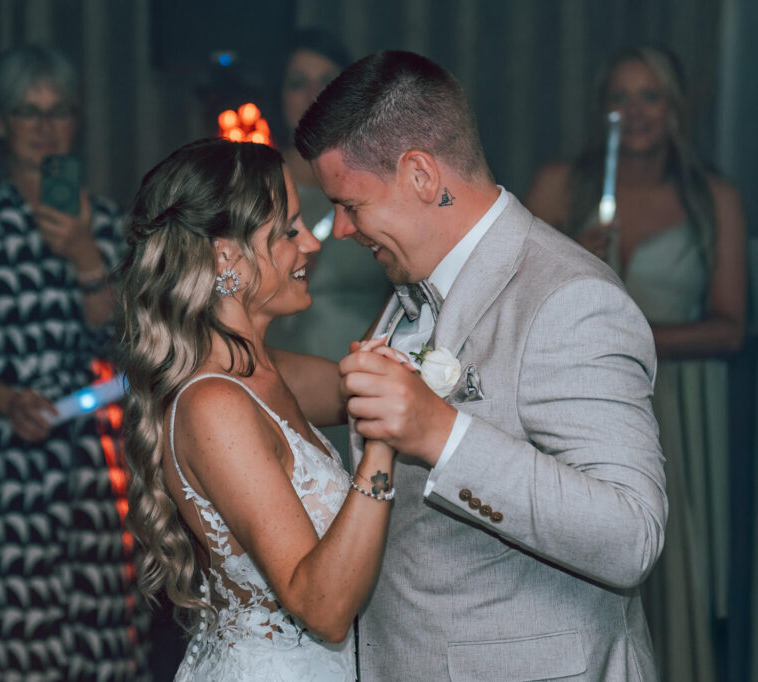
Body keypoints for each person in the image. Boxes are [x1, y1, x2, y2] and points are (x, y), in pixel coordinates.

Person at [293, 50, 668, 680]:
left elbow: (633, 535)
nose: (341, 230)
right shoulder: (411, 283)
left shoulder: (569, 297)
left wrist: (441, 434)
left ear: (419, 174)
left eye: (351, 205)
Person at [117, 138, 399, 680]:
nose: (311, 244)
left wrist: (412, 260)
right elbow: (323, 610)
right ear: (226, 256)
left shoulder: (266, 372)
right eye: (289, 230)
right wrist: (380, 451)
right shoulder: (214, 405)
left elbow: (369, 380)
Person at [0, 45, 144, 681]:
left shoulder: (107, 223)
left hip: (90, 468)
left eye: (59, 111)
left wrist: (85, 257)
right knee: (0, 646)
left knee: (94, 641)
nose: (45, 127)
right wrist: (8, 400)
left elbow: (130, 350)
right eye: (28, 112)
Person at [524, 45, 747, 682]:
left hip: (684, 406)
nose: (636, 111)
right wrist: (571, 258)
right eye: (620, 97)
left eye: (650, 95)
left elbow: (731, 328)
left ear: (675, 107)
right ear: (603, 110)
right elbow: (516, 302)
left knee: (678, 566)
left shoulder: (713, 197)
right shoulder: (561, 184)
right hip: (583, 396)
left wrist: (624, 334)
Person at [264, 29, 393, 463]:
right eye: (298, 82)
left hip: (363, 376)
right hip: (278, 374)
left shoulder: (381, 181)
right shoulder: (253, 184)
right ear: (278, 94)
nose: (313, 95)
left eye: (327, 81)